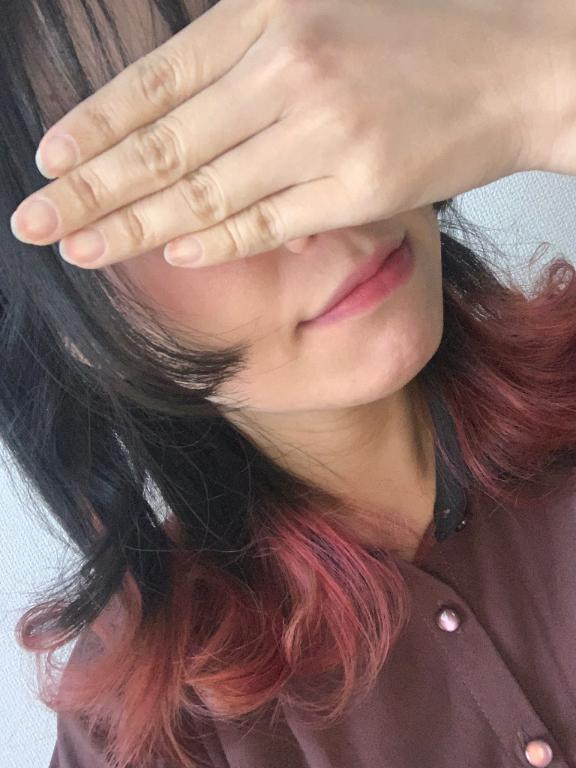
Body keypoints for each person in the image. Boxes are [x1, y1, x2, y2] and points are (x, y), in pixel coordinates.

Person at [1, 1, 576, 767]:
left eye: (287, 103)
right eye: (178, 175)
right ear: (76, 329)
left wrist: (543, 79)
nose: (315, 212)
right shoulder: (147, 729)